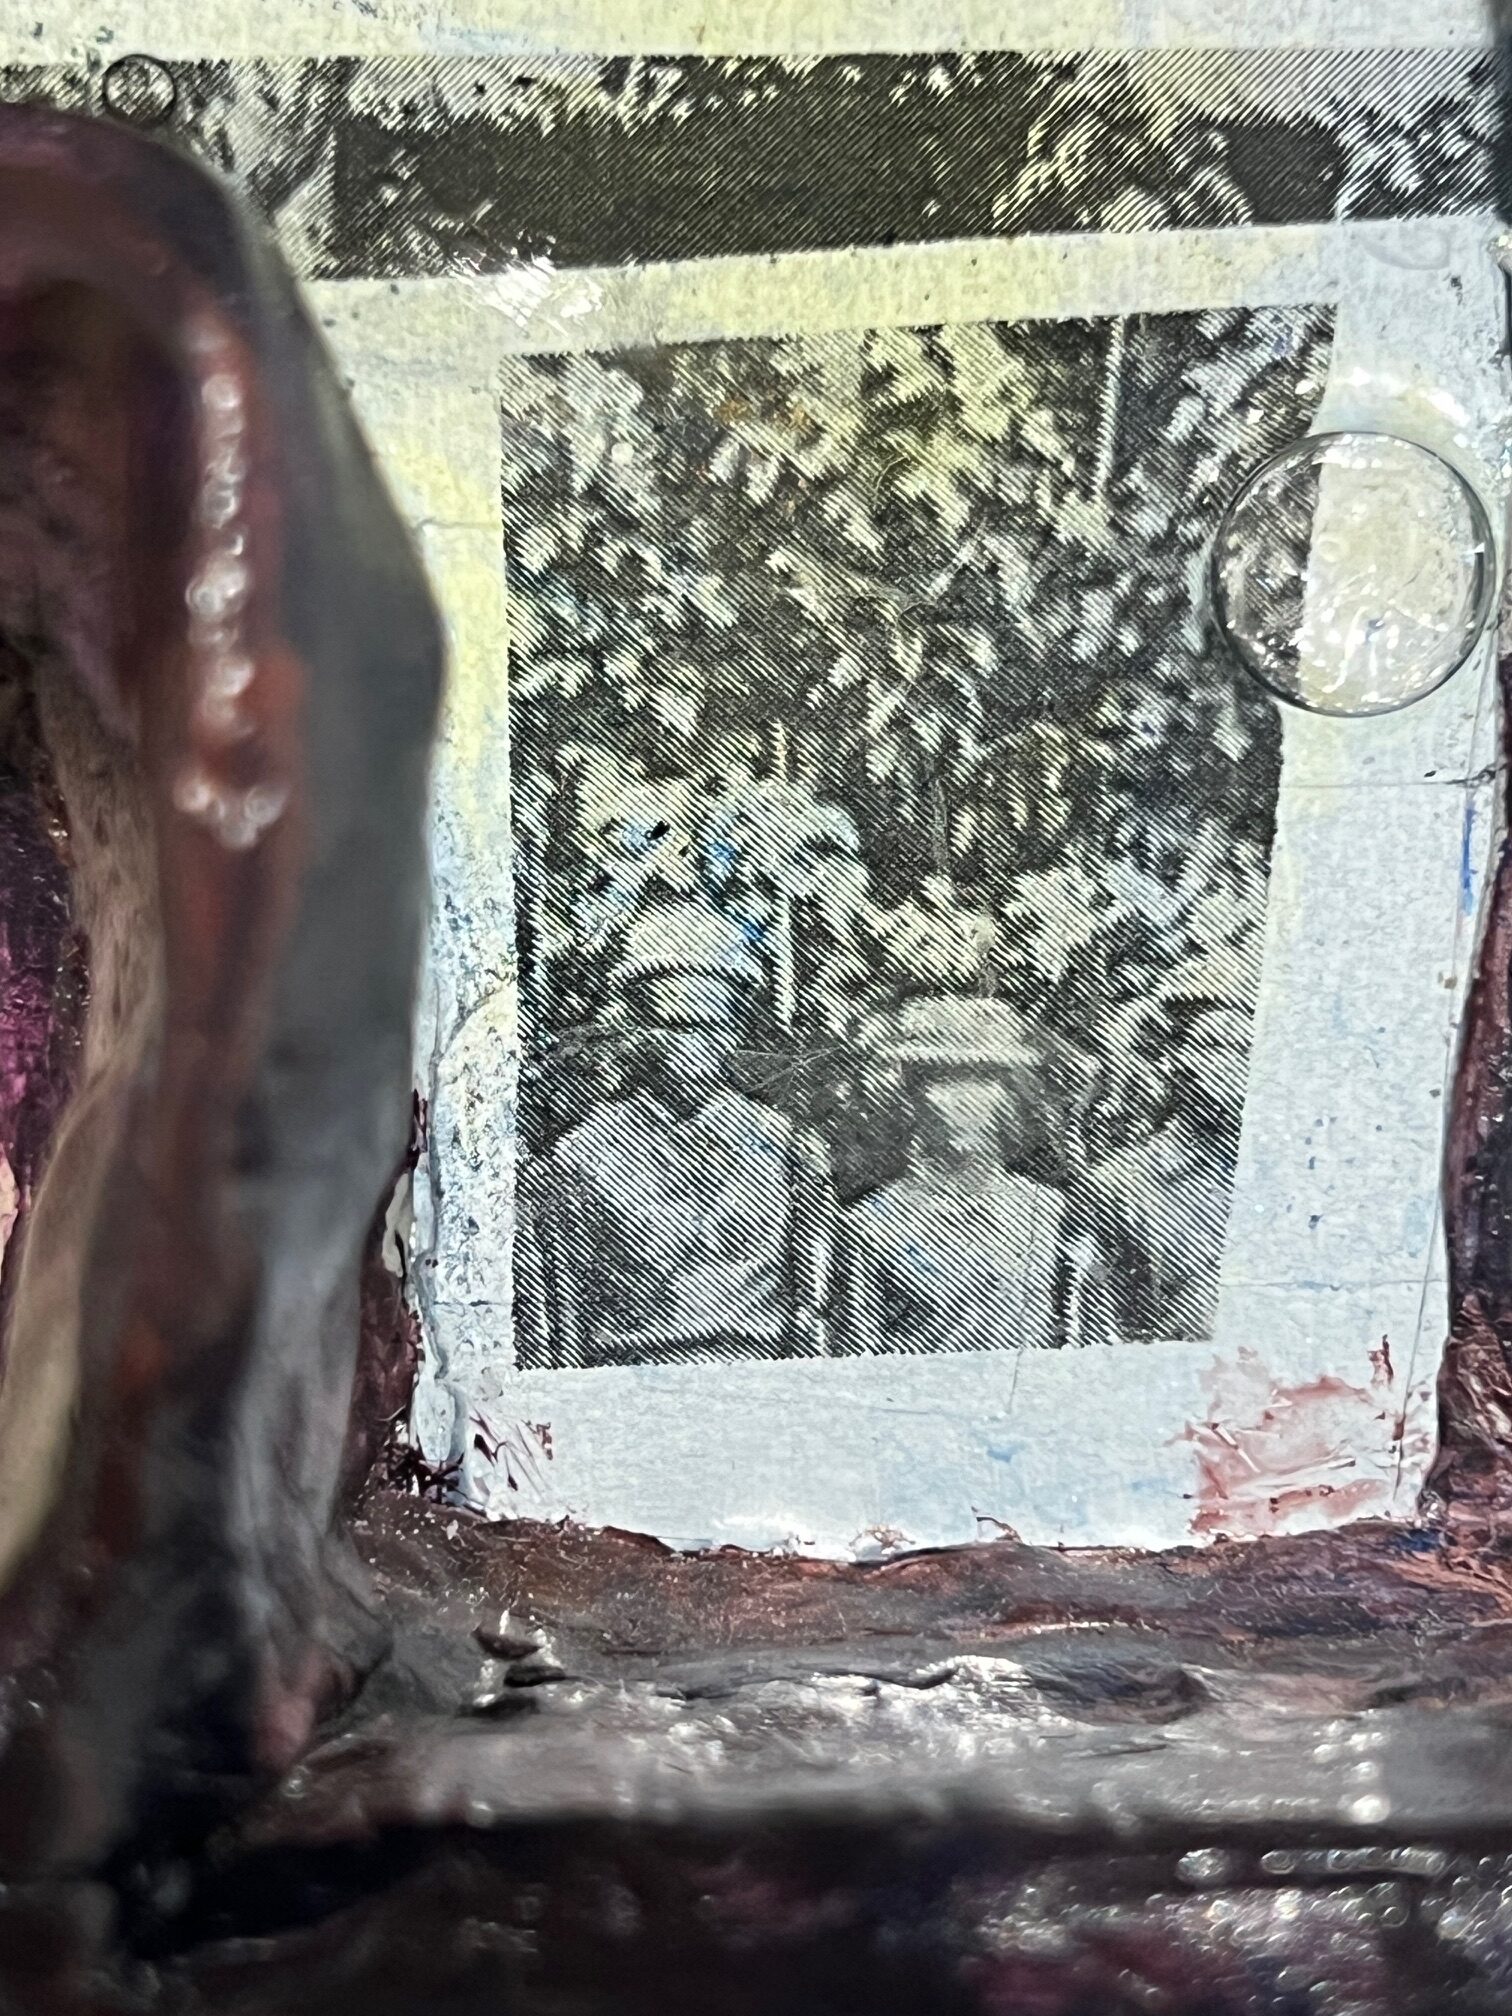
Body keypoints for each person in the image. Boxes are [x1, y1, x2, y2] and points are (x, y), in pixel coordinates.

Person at [517, 899, 837, 1367]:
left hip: (764, 1379)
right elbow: (559, 1323)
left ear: (735, 1028)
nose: (690, 1046)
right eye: (671, 1026)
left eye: (709, 1025)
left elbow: (814, 1311)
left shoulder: (793, 1149)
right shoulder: (577, 1159)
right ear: (633, 1028)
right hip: (628, 1380)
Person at [840, 997, 1107, 1355]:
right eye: (942, 1080)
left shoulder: (1048, 1211)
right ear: (911, 1097)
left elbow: (1086, 1337)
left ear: (1009, 1095)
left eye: (983, 1079)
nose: (964, 1099)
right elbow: (857, 1357)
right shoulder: (871, 1225)